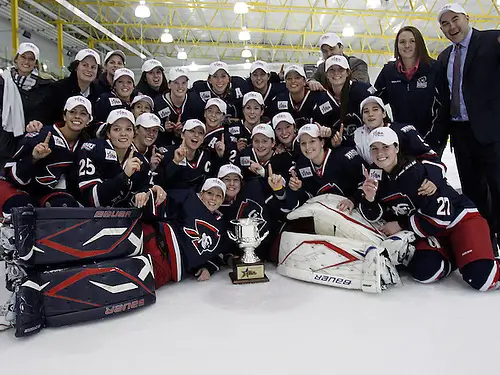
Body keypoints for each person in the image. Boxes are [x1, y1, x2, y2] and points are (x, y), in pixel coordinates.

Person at [359, 127, 499, 291]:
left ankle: (475, 250)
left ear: (396, 148)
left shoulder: (416, 172)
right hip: (430, 231)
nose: (380, 153)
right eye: (374, 148)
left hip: (459, 220)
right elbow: (376, 214)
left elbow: (442, 216)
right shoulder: (375, 174)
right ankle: (459, 253)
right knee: (425, 271)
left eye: (386, 147)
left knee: (482, 278)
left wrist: (402, 225)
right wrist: (369, 199)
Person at [427, 3, 500, 253]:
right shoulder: (444, 57)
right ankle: (486, 245)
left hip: (492, 132)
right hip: (460, 134)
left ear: (467, 18)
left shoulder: (492, 41)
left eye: (455, 20)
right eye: (445, 24)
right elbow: (444, 100)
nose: (451, 27)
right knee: (473, 193)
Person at [0, 96, 92, 216]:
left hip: (46, 193)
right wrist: (34, 158)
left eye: (83, 113)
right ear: (64, 116)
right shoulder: (41, 135)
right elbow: (12, 174)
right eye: (72, 112)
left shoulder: (85, 145)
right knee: (23, 211)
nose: (77, 116)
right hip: (16, 188)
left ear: (89, 120)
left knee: (66, 208)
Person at [142, 178, 232, 288]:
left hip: (168, 268)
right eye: (210, 193)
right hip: (153, 240)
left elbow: (220, 254)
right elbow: (160, 200)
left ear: (222, 200)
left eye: (218, 196)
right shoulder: (189, 199)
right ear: (202, 193)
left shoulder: (221, 225)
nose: (213, 198)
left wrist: (209, 267)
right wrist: (150, 192)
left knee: (138, 285)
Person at [77, 108, 165, 209]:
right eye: (117, 129)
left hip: (122, 219)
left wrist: (150, 191)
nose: (123, 134)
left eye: (128, 129)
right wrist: (124, 176)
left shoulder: (141, 160)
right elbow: (92, 199)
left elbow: (144, 188)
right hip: (84, 217)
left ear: (134, 133)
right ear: (108, 133)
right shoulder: (92, 149)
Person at [375, 26, 443, 144]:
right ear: (397, 45)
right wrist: (389, 126)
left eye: (412, 41)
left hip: (430, 138)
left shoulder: (435, 69)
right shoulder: (389, 71)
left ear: (420, 44)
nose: (407, 45)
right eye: (402, 42)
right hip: (401, 138)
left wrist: (434, 137)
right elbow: (375, 101)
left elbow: (443, 107)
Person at [277, 123, 365, 212]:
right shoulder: (302, 165)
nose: (307, 147)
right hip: (324, 214)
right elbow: (307, 198)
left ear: (322, 142)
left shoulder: (345, 157)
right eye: (303, 143)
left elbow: (366, 183)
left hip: (353, 212)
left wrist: (353, 200)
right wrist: (298, 189)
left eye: (312, 141)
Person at [0, 42, 53, 168]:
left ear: (36, 63)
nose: (26, 62)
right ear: (16, 58)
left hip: (28, 141)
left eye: (31, 59)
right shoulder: (2, 82)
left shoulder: (45, 86)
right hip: (3, 140)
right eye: (23, 57)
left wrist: (38, 123)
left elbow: (46, 114)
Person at [218, 164, 286, 261]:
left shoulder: (254, 188)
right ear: (219, 182)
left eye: (236, 180)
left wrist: (277, 188)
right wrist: (228, 257)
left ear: (241, 182)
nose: (232, 183)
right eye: (227, 179)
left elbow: (284, 202)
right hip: (240, 257)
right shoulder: (214, 204)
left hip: (270, 252)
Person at [34, 48, 101, 127]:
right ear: (76, 67)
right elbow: (42, 115)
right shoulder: (57, 89)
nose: (89, 70)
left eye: (93, 67)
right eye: (85, 65)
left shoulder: (99, 93)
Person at [314, 55, 373, 138]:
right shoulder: (322, 99)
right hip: (340, 147)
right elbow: (321, 125)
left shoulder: (362, 90)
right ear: (326, 74)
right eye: (332, 70)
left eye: (340, 69)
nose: (336, 73)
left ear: (348, 72)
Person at [154, 119, 214, 191]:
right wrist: (175, 162)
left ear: (203, 140)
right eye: (192, 131)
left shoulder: (205, 156)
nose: (196, 135)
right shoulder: (167, 153)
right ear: (182, 135)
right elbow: (158, 182)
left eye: (200, 133)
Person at [153, 67, 205, 147]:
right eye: (176, 83)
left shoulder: (196, 101)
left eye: (183, 83)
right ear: (169, 85)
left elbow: (202, 124)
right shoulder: (158, 103)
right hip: (165, 147)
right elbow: (152, 129)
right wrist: (163, 127)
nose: (180, 86)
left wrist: (186, 128)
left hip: (189, 147)